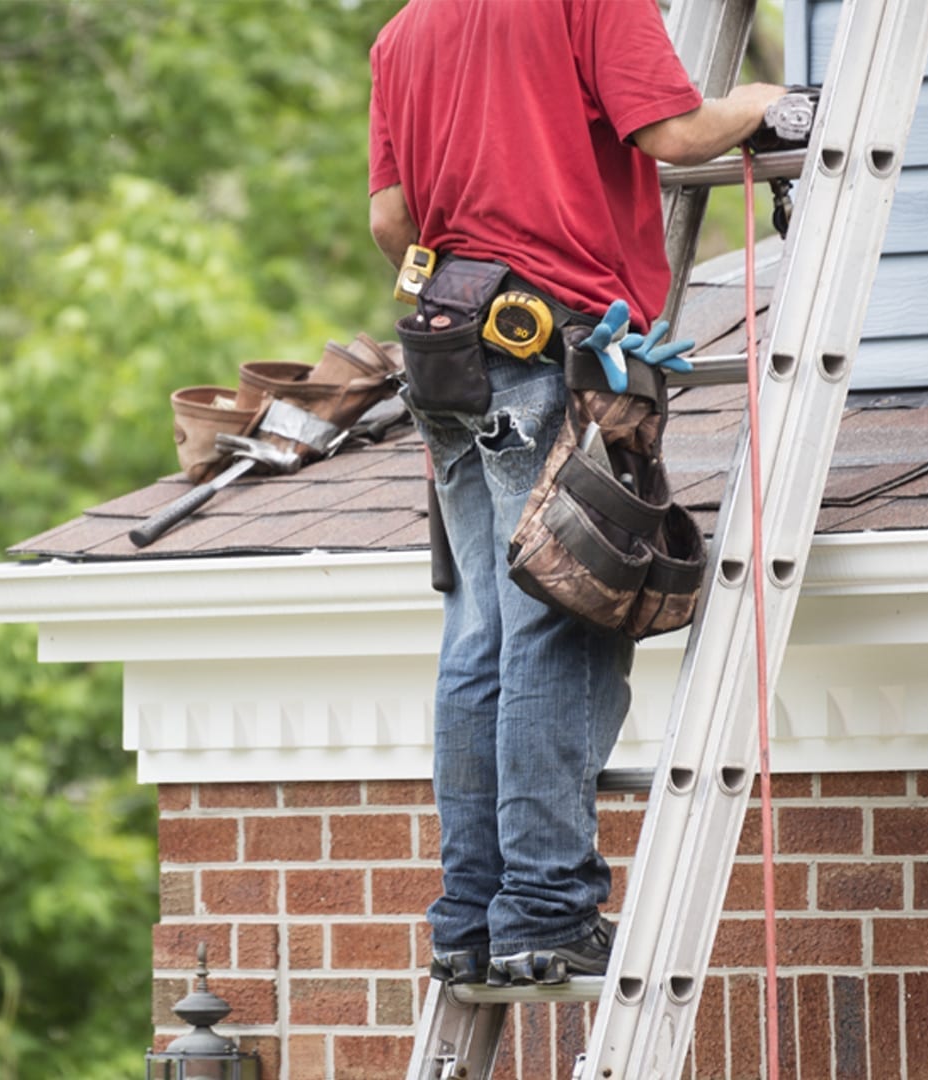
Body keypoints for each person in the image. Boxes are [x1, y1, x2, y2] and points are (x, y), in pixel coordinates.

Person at [366, 0, 784, 986]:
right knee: (553, 615)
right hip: (546, 339)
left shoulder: (405, 30)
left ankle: (470, 918)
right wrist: (759, 101)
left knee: (480, 632)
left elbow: (391, 221)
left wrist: (459, 278)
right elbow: (675, 135)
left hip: (448, 349)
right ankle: (547, 907)